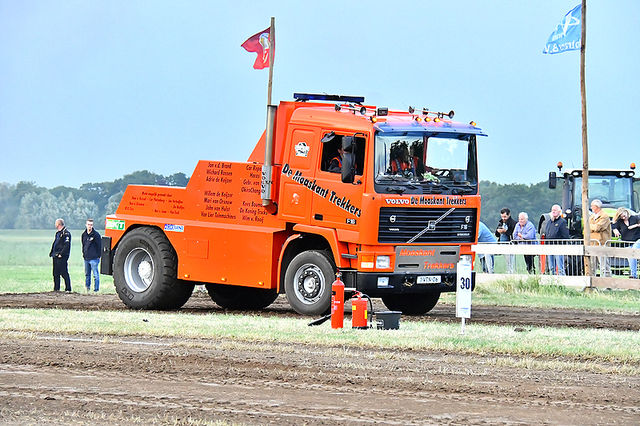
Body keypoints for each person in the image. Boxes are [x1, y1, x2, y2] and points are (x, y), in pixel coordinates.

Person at [612, 207, 640, 279]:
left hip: (636, 240)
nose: (623, 217)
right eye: (621, 216)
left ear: (626, 212)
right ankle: (633, 275)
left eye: (624, 215)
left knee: (633, 251)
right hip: (626, 242)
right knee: (630, 258)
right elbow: (613, 226)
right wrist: (615, 230)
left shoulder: (634, 218)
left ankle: (634, 274)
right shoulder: (620, 222)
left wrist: (636, 225)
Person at [589, 199, 611, 277]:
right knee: (592, 266)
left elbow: (598, 227)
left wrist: (590, 227)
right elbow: (586, 227)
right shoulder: (592, 216)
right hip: (592, 244)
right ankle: (591, 284)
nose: (591, 208)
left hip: (602, 243)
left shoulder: (604, 216)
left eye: (592, 206)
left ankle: (608, 284)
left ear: (596, 207)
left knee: (604, 266)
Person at [545, 204, 569, 275]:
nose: (553, 212)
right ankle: (552, 281)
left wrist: (562, 245)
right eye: (552, 210)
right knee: (551, 267)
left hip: (558, 247)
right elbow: (547, 233)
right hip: (550, 246)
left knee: (560, 266)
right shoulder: (549, 222)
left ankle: (562, 281)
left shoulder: (562, 222)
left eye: (555, 210)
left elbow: (565, 235)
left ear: (559, 212)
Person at [49, 218, 72, 292]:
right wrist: (52, 252)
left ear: (58, 224)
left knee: (64, 272)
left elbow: (66, 245)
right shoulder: (58, 233)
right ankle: (56, 289)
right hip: (55, 255)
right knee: (55, 273)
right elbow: (55, 243)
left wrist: (61, 254)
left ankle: (68, 288)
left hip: (61, 256)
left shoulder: (66, 234)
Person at [82, 219, 102, 292]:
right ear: (86, 225)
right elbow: (83, 245)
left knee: (95, 275)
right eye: (88, 224)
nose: (89, 226)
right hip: (86, 258)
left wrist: (98, 256)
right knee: (87, 274)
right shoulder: (84, 235)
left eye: (91, 225)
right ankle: (87, 288)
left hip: (94, 258)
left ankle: (96, 289)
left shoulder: (96, 235)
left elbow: (99, 246)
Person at [495, 208, 517, 273]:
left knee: (509, 262)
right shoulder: (500, 223)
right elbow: (497, 235)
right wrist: (498, 231)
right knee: (488, 254)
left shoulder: (513, 223)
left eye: (505, 217)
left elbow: (513, 235)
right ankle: (490, 271)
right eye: (502, 217)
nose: (503, 218)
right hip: (500, 244)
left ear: (509, 215)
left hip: (509, 245)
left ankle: (510, 273)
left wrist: (505, 231)